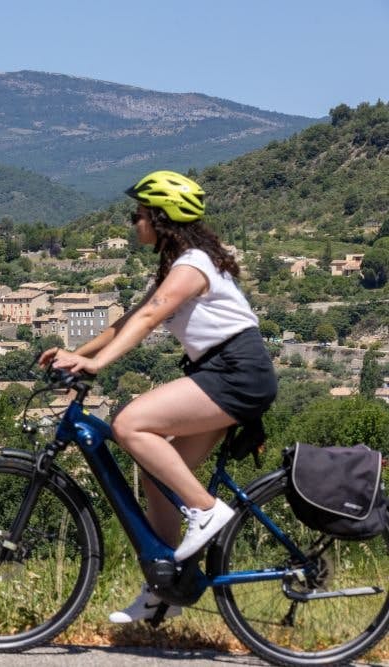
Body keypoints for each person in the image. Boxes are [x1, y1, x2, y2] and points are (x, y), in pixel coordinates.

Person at [39, 170, 277, 624]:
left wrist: (96, 365)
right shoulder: (181, 264)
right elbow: (127, 319)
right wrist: (77, 353)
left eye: (139, 215)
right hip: (224, 374)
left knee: (129, 423)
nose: (134, 224)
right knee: (156, 477)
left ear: (161, 219)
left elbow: (149, 318)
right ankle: (165, 587)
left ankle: (206, 513)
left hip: (235, 374)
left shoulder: (192, 266)